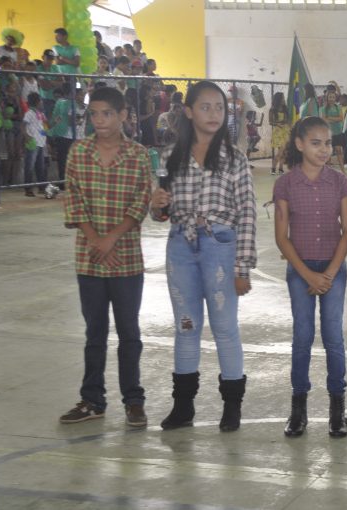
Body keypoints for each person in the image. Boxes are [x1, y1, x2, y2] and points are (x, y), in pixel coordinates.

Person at [150, 81, 256, 433]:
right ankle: (183, 407)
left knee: (225, 327)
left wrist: (242, 267)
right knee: (186, 326)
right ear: (188, 111)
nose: (214, 114)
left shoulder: (235, 159)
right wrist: (157, 206)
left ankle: (232, 406)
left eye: (219, 108)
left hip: (220, 247)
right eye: (206, 107)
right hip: (180, 247)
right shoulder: (171, 156)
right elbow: (161, 213)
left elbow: (247, 213)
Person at [59, 87, 152, 427]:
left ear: (123, 115)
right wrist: (97, 241)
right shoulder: (78, 152)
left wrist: (111, 239)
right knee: (94, 333)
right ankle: (92, 400)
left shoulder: (138, 155)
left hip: (126, 260)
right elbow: (73, 199)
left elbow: (141, 201)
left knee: (129, 333)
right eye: (94, 114)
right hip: (90, 260)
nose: (99, 120)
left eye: (107, 113)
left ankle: (134, 400)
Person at [273, 116, 347, 438]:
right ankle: (298, 408)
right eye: (316, 143)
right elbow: (282, 238)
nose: (324, 150)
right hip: (300, 270)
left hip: (334, 269)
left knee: (334, 337)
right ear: (299, 144)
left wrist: (328, 274)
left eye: (328, 143)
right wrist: (308, 275)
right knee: (302, 336)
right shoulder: (285, 184)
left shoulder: (340, 182)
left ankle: (338, 408)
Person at [22, 93, 49, 197]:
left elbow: (46, 127)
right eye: (40, 100)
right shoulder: (29, 113)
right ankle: (28, 189)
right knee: (29, 166)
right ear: (37, 102)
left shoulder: (41, 114)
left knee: (40, 167)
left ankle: (41, 187)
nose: (42, 102)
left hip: (41, 142)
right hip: (33, 142)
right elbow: (23, 126)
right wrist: (26, 136)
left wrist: (54, 122)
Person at [320, 91, 345, 170]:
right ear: (327, 98)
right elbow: (324, 120)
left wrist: (329, 118)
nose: (332, 99)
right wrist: (335, 119)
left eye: (333, 97)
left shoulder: (338, 107)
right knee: (328, 153)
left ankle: (343, 171)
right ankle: (327, 171)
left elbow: (341, 118)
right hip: (328, 133)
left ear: (335, 98)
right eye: (330, 97)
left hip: (338, 132)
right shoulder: (323, 108)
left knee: (339, 151)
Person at [269, 91, 289, 175]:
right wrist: (277, 124)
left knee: (285, 152)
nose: (284, 100)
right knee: (280, 152)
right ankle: (273, 168)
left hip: (285, 131)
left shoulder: (285, 108)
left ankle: (280, 168)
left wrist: (286, 123)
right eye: (282, 98)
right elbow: (270, 122)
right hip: (278, 132)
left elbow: (287, 120)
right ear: (278, 99)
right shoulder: (272, 109)